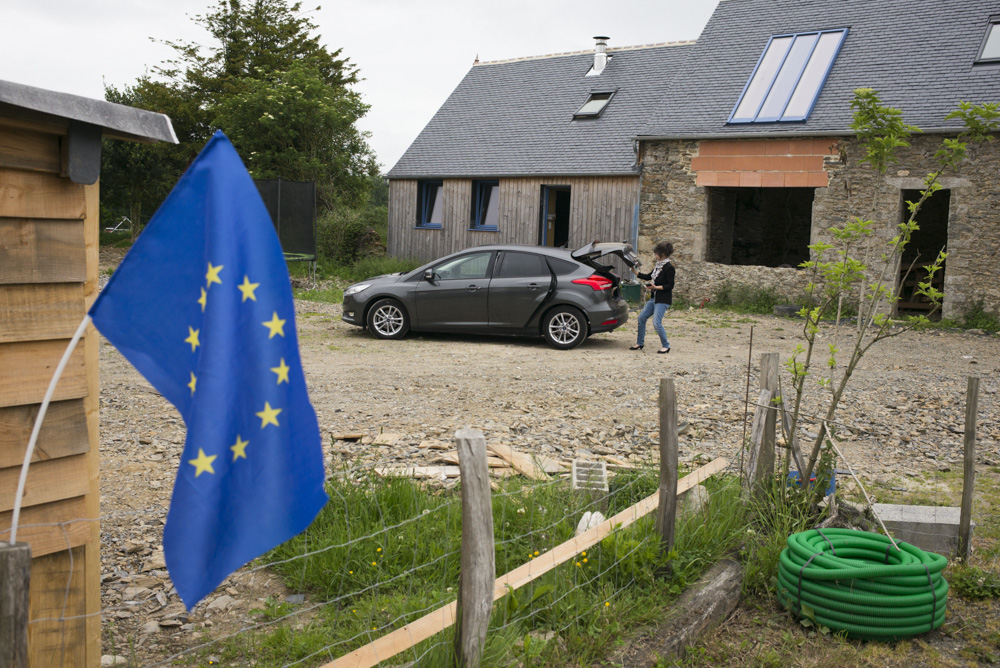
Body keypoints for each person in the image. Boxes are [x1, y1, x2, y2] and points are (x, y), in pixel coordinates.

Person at [630, 241, 675, 354]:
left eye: (657, 254)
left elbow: (670, 285)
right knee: (641, 318)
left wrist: (656, 287)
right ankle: (640, 343)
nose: (655, 256)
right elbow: (649, 276)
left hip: (663, 300)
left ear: (663, 254)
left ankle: (666, 345)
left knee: (656, 323)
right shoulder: (658, 266)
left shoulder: (669, 268)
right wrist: (635, 272)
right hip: (654, 298)